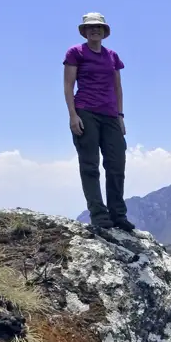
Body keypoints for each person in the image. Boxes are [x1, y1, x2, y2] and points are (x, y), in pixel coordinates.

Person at [63, 12, 135, 231]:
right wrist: (73, 115)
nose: (95, 30)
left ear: (104, 32)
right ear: (84, 31)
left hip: (111, 115)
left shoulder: (112, 56)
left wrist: (120, 116)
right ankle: (99, 215)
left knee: (116, 164)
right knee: (90, 164)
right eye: (91, 27)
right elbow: (68, 85)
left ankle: (118, 215)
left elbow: (118, 88)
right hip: (86, 111)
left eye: (99, 27)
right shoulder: (76, 52)